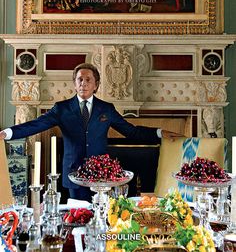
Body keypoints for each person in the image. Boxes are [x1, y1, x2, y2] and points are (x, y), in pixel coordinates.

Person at [0, 63, 182, 201]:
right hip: (74, 174)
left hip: (101, 176)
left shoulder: (106, 109)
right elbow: (35, 125)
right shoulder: (61, 109)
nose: (83, 83)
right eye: (80, 79)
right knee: (78, 218)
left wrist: (158, 133)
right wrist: (7, 133)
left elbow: (131, 132)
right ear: (74, 83)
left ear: (96, 84)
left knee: (100, 216)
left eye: (88, 80)